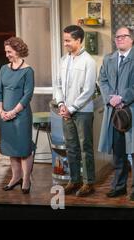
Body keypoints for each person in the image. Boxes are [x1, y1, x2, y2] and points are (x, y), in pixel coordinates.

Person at [54, 25, 97, 197]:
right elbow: (57, 84)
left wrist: (71, 108)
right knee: (71, 147)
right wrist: (61, 104)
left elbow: (88, 90)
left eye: (68, 40)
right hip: (66, 111)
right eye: (64, 40)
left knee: (85, 147)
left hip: (83, 111)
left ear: (78, 40)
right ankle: (74, 180)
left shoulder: (89, 61)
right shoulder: (64, 60)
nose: (65, 44)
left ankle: (89, 183)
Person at [98, 26, 134, 200]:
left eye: (123, 36)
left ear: (131, 39)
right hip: (114, 113)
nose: (119, 39)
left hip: (131, 111)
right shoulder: (109, 59)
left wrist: (122, 98)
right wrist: (110, 98)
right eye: (117, 36)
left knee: (133, 152)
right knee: (118, 152)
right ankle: (119, 187)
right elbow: (102, 80)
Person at [0, 37, 35, 194]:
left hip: (21, 116)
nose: (7, 55)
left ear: (18, 51)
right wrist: (1, 111)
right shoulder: (3, 69)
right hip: (5, 115)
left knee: (24, 148)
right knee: (11, 148)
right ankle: (15, 177)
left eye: (9, 52)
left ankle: (26, 179)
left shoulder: (28, 71)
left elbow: (27, 95)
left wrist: (13, 112)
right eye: (6, 52)